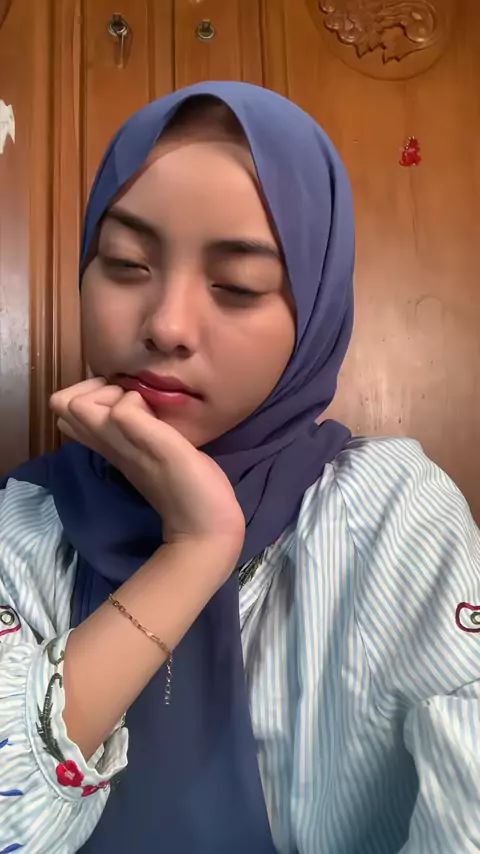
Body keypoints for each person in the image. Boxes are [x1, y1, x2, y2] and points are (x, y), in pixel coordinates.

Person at [0, 81, 479, 854]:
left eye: (238, 286)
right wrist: (192, 553)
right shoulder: (21, 523)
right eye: (126, 263)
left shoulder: (393, 514)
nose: (167, 326)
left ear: (314, 313)